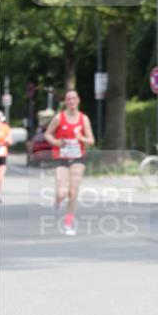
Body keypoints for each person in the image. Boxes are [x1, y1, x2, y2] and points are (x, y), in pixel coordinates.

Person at [44, 89, 95, 236]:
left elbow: (91, 140)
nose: (72, 101)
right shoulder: (59, 118)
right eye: (69, 99)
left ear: (78, 100)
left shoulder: (83, 119)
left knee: (73, 192)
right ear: (65, 102)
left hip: (78, 158)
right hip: (62, 157)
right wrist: (56, 142)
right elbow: (47, 134)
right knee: (62, 192)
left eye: (74, 98)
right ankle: (57, 200)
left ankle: (68, 223)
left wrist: (81, 138)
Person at [0, 111, 13, 203]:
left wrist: (6, 141)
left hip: (2, 155)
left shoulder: (5, 128)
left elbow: (10, 141)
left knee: (0, 178)